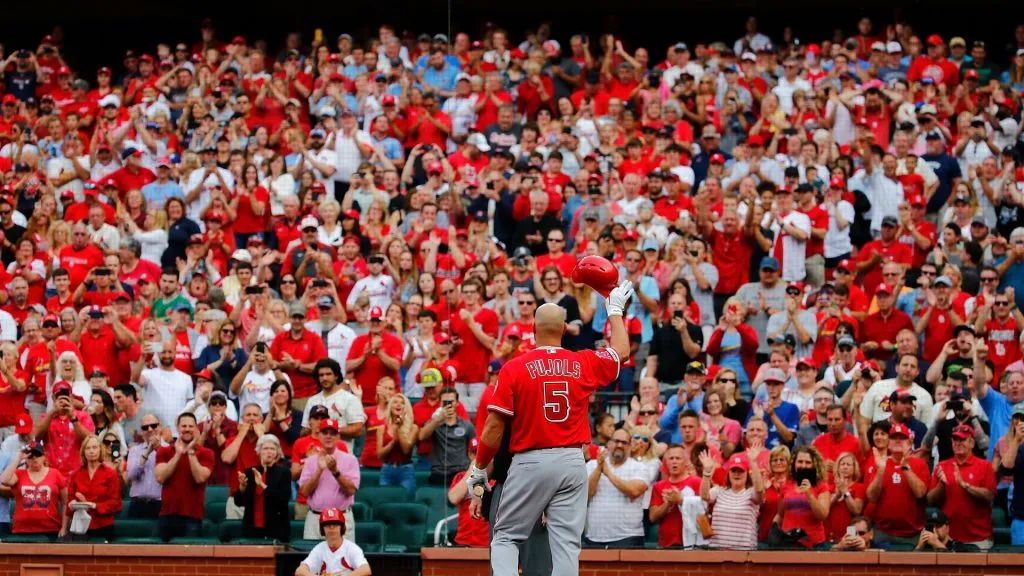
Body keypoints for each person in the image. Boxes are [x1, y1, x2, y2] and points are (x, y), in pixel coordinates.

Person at [468, 281, 632, 576]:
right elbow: (621, 350)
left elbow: (494, 427)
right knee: (567, 544)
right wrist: (615, 310)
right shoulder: (583, 362)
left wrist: (479, 468)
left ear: (534, 328)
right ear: (563, 329)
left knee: (505, 536)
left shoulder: (515, 367)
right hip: (572, 460)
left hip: (531, 459)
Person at [926, 423, 996, 549]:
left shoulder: (984, 466)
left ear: (972, 444)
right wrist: (941, 485)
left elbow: (989, 496)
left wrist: (966, 486)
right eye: (955, 439)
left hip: (978, 538)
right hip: (949, 537)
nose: (958, 443)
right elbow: (930, 499)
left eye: (962, 439)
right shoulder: (942, 466)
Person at [582, 427, 650, 548]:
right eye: (616, 441)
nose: (619, 445)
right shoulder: (592, 465)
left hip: (629, 537)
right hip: (595, 537)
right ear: (608, 444)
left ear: (630, 446)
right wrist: (599, 468)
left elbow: (634, 491)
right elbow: (585, 495)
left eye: (624, 442)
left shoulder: (639, 467)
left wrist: (608, 473)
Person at [865, 422, 929, 544]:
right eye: (894, 438)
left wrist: (905, 467)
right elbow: (871, 497)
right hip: (883, 532)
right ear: (888, 443)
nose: (898, 441)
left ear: (909, 443)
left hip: (913, 534)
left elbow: (920, 493)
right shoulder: (880, 464)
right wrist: (880, 471)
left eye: (902, 438)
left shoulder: (920, 464)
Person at [155, 412, 214, 542]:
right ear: (177, 428)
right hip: (167, 515)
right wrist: (177, 454)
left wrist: (191, 452)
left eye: (191, 426)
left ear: (196, 428)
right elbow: (160, 477)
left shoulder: (206, 453)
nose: (187, 429)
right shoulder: (164, 451)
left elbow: (200, 478)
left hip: (193, 516)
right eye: (184, 426)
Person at [298, 418, 360, 541]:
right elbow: (304, 492)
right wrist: (319, 470)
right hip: (316, 518)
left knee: (343, 558)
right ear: (319, 435)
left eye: (332, 433)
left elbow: (351, 490)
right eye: (325, 433)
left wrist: (335, 471)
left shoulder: (350, 459)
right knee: (313, 558)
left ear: (338, 437)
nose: (328, 436)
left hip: (341, 517)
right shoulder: (310, 461)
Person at [700, 450, 765, 550]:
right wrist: (707, 472)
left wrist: (753, 463)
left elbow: (759, 490)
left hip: (744, 553)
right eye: (733, 471)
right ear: (728, 473)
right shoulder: (719, 491)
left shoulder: (750, 493)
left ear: (747, 474)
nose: (737, 474)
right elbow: (704, 496)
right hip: (718, 551)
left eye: (741, 471)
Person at [0, 440, 66, 539]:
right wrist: (18, 459)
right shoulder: (19, 474)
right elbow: (4, 480)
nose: (34, 458)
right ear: (26, 459)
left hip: (50, 530)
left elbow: (65, 502)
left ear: (44, 456)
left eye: (38, 454)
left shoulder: (55, 474)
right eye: (30, 455)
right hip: (22, 530)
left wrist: (64, 527)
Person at [232, 433, 291, 542]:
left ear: (277, 453)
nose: (269, 451)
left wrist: (262, 485)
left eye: (272, 449)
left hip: (276, 529)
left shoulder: (284, 472)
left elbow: (282, 500)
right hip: (251, 528)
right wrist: (242, 488)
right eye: (265, 448)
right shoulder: (250, 472)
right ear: (259, 452)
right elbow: (238, 502)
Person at [65, 434, 122, 540]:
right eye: (88, 448)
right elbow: (70, 500)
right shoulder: (75, 474)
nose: (91, 451)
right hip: (80, 526)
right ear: (83, 452)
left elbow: (115, 503)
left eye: (94, 447)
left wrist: (93, 505)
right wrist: (73, 503)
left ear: (100, 450)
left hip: (104, 525)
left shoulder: (110, 473)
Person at [773, 445, 831, 549]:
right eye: (800, 462)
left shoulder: (821, 485)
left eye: (808, 462)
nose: (803, 465)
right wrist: (773, 532)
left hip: (814, 544)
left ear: (814, 465)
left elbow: (823, 515)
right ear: (794, 464)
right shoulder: (787, 484)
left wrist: (809, 494)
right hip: (789, 542)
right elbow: (780, 514)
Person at [301, 358, 365, 451]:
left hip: (342, 455)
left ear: (336, 376)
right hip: (316, 456)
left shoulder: (350, 399)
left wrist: (329, 429)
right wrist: (311, 430)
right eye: (321, 375)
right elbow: (304, 430)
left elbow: (358, 430)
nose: (324, 378)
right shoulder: (312, 401)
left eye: (328, 374)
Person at [420, 387, 475, 486]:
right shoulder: (433, 424)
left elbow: (474, 448)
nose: (448, 404)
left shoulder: (466, 425)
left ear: (457, 403)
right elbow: (422, 436)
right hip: (439, 473)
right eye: (445, 402)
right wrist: (438, 419)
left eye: (451, 401)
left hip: (460, 473)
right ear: (440, 403)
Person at [293, 508, 371, 576]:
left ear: (342, 528)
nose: (331, 528)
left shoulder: (351, 548)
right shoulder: (319, 548)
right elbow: (300, 571)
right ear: (322, 529)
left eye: (335, 524)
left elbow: (366, 569)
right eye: (327, 525)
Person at [376, 392, 418, 498]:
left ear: (406, 408)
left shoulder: (413, 428)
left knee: (406, 500)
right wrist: (393, 443)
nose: (398, 405)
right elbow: (380, 455)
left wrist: (399, 429)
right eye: (395, 402)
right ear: (390, 407)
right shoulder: (381, 429)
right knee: (384, 502)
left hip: (406, 470)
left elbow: (406, 449)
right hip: (387, 470)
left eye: (402, 403)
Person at [125, 412, 165, 518]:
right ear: (141, 432)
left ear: (160, 427)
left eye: (153, 426)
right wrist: (147, 452)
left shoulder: (170, 449)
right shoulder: (134, 450)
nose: (150, 429)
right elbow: (131, 475)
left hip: (161, 504)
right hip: (137, 504)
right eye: (145, 427)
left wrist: (158, 449)